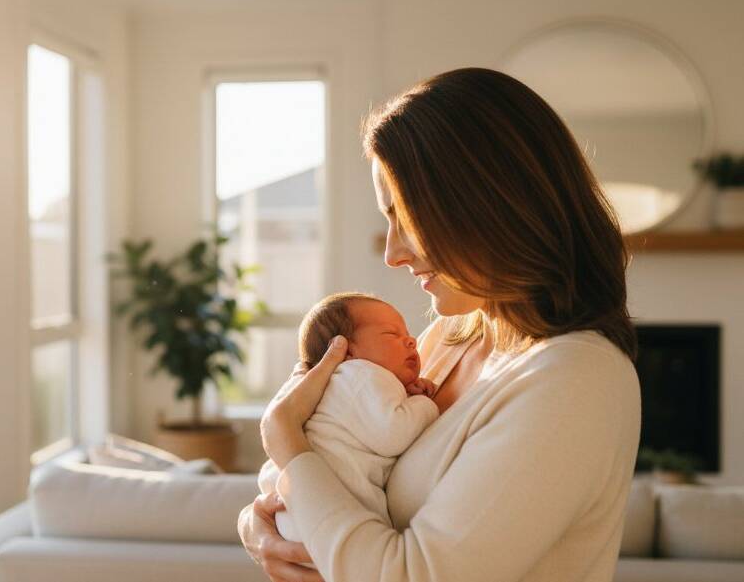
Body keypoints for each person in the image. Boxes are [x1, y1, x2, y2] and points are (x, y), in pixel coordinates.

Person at [237, 67, 641, 582]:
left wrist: (285, 441)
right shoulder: (449, 338)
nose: (392, 253)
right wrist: (259, 527)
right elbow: (340, 470)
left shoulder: (575, 379)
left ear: (486, 204)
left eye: (405, 217)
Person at [257, 292, 440, 549]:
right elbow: (393, 433)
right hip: (324, 513)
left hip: (293, 510)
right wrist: (424, 404)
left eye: (407, 334)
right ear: (347, 350)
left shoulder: (329, 384)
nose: (411, 341)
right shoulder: (361, 373)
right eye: (391, 334)